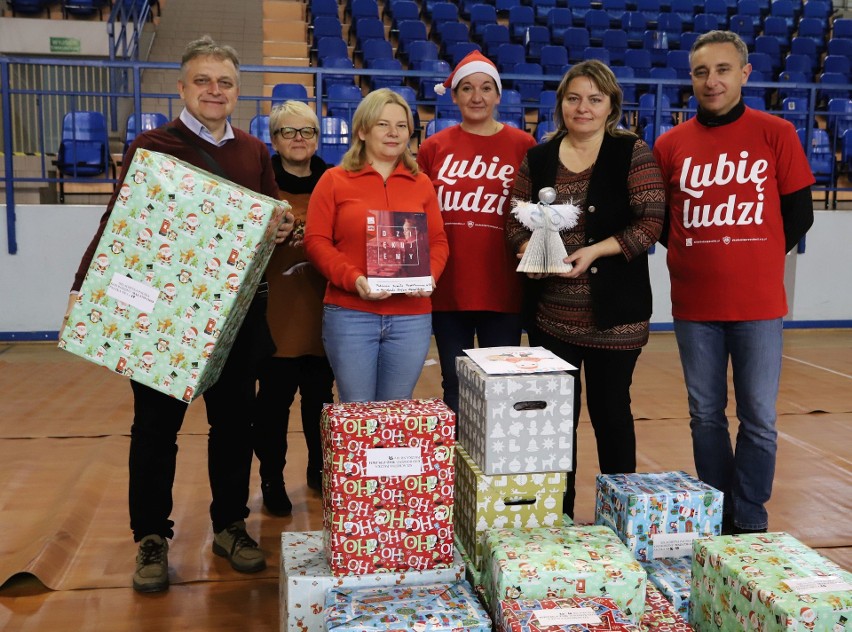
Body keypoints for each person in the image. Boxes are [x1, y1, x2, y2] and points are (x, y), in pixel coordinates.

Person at [63, 36, 295, 593]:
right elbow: (119, 223)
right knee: (155, 430)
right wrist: (82, 286)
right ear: (182, 87)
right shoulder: (153, 144)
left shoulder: (254, 152)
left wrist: (282, 228)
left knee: (235, 426)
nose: (214, 91)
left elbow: (268, 229)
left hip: (235, 318)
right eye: (203, 81)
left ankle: (230, 524)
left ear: (238, 92)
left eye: (225, 83)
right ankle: (150, 537)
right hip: (167, 321)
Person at [652, 30, 815, 535]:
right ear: (691, 79)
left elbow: (799, 215)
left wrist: (754, 253)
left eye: (722, 70)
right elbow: (659, 219)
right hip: (695, 304)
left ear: (744, 74)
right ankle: (717, 511)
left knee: (759, 417)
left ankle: (749, 515)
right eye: (701, 72)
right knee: (705, 415)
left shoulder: (776, 133)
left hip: (760, 303)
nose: (711, 80)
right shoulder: (670, 143)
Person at [506, 60, 665, 518]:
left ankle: (620, 520)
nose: (583, 107)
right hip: (551, 317)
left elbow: (651, 222)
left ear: (611, 105)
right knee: (556, 424)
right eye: (574, 98)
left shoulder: (631, 151)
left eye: (595, 99)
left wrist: (595, 252)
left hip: (616, 318)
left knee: (612, 414)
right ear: (560, 104)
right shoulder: (539, 157)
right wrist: (526, 257)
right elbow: (514, 220)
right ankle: (559, 518)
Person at [304, 88, 449, 403]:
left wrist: (429, 277)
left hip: (411, 317)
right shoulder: (334, 180)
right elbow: (316, 242)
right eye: (383, 124)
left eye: (401, 125)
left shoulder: (421, 183)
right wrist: (354, 279)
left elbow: (438, 242)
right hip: (351, 314)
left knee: (395, 413)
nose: (393, 133)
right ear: (362, 130)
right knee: (358, 413)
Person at [416, 50, 537, 414]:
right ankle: (460, 468)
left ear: (498, 95)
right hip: (449, 285)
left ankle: (493, 469)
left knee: (499, 384)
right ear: (454, 95)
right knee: (455, 383)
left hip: (502, 286)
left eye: (486, 88)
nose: (477, 96)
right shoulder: (433, 147)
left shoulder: (523, 146)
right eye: (467, 88)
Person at [252, 101, 334, 516]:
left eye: (308, 132)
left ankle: (321, 471)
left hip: (327, 314)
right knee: (273, 406)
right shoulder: (258, 183)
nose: (299, 140)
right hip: (275, 315)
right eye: (289, 132)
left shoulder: (336, 181)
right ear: (274, 138)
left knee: (320, 403)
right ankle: (272, 478)